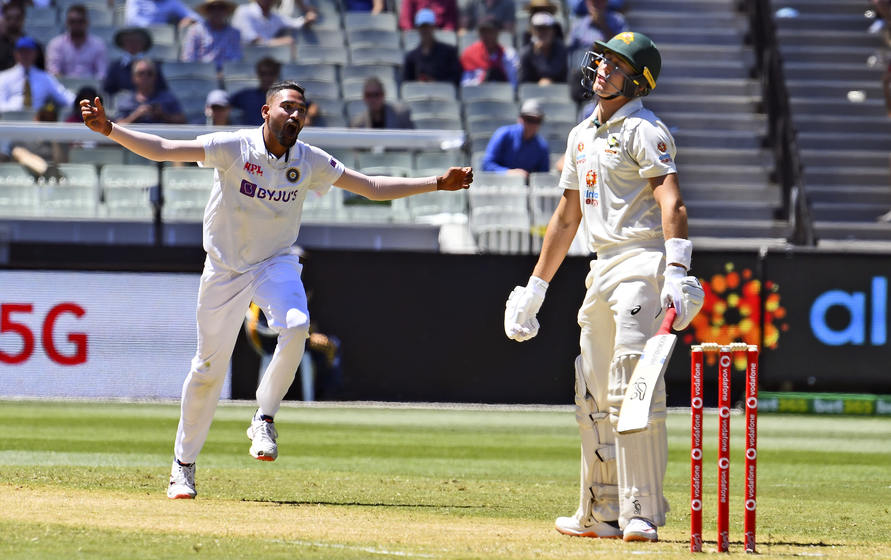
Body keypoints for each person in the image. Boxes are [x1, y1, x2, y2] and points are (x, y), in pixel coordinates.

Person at [79, 79, 473, 499]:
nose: (295, 115)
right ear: (266, 112)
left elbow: (370, 187)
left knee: (298, 325)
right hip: (225, 269)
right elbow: (164, 150)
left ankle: (263, 418)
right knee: (207, 371)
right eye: (287, 107)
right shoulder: (235, 147)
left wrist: (436, 183)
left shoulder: (309, 160)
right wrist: (110, 130)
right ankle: (183, 467)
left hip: (274, 263)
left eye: (301, 109)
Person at [502, 32, 704, 543]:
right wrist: (535, 288)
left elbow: (672, 203)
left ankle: (641, 512)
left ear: (637, 81)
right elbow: (567, 215)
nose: (601, 70)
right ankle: (601, 512)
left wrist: (677, 270)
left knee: (631, 386)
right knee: (590, 392)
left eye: (615, 66)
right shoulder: (580, 134)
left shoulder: (645, 130)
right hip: (601, 266)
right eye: (602, 61)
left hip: (641, 260)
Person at [0, 37, 75, 112]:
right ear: (15, 53)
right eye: (21, 51)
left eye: (28, 51)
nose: (25, 55)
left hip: (36, 121)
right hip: (10, 120)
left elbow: (63, 96)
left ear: (35, 53)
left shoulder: (45, 77)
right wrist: (16, 112)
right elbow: (1, 103)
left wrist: (81, 102)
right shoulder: (4, 77)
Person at [481, 98, 549, 177]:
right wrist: (508, 173)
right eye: (529, 119)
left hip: (526, 188)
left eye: (537, 121)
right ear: (520, 119)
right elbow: (486, 165)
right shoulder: (503, 134)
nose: (532, 125)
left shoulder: (542, 146)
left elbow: (543, 176)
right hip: (499, 186)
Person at [113, 58, 186, 124]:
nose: (145, 77)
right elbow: (117, 126)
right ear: (133, 78)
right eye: (141, 73)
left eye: (149, 73)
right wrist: (136, 115)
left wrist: (163, 115)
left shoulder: (168, 98)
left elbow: (183, 121)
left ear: (155, 77)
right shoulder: (125, 100)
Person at [46, 4, 108, 80]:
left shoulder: (98, 45)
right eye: (72, 21)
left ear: (87, 22)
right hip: (63, 88)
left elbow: (101, 74)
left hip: (90, 89)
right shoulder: (56, 44)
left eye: (80, 21)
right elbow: (53, 72)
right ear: (67, 23)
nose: (76, 24)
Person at [402, 8, 462, 86]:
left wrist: (436, 83)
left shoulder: (449, 52)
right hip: (420, 96)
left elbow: (456, 77)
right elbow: (408, 83)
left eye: (428, 26)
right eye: (422, 27)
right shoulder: (411, 57)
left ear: (433, 27)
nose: (425, 30)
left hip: (444, 95)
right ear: (417, 29)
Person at [103, 27, 168, 96]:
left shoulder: (154, 65)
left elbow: (162, 89)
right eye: (128, 41)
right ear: (122, 44)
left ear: (144, 43)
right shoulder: (115, 67)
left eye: (137, 40)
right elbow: (108, 90)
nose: (132, 44)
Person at [180, 0, 242, 71]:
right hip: (201, 74)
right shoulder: (195, 30)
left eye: (221, 8)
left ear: (226, 11)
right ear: (207, 11)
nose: (217, 12)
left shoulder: (234, 33)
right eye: (213, 8)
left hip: (228, 75)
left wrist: (224, 73)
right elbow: (188, 58)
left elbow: (236, 58)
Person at [459, 16, 518, 87]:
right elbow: (464, 85)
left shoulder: (509, 54)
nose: (487, 36)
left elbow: (514, 84)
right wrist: (481, 81)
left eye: (490, 32)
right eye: (483, 32)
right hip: (477, 95)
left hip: (502, 95)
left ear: (497, 33)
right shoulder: (469, 53)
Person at [232, 0, 310, 46]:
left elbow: (295, 23)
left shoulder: (275, 16)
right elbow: (253, 39)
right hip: (242, 60)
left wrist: (309, 18)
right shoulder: (244, 11)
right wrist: (280, 42)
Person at [518, 11, 568, 84]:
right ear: (533, 31)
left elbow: (565, 79)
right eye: (539, 29)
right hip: (532, 94)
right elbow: (523, 82)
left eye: (546, 29)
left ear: (553, 31)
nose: (542, 33)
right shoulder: (526, 54)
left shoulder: (562, 51)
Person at [231, 56, 281, 125]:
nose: (267, 77)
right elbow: (224, 105)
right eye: (263, 73)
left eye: (271, 73)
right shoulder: (246, 96)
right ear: (258, 74)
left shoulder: (282, 98)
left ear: (276, 75)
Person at [350, 77, 414, 129]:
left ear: (384, 95)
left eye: (376, 94)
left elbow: (412, 141)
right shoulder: (357, 124)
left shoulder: (401, 116)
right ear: (364, 97)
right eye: (368, 95)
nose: (373, 99)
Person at [0, 1, 46, 71]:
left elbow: (40, 74)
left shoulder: (35, 47)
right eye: (9, 18)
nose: (13, 22)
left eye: (17, 18)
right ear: (3, 19)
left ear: (23, 19)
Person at [125, 0, 201, 30]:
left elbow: (195, 17)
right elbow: (132, 20)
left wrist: (190, 20)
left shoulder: (172, 2)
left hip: (163, 39)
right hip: (138, 37)